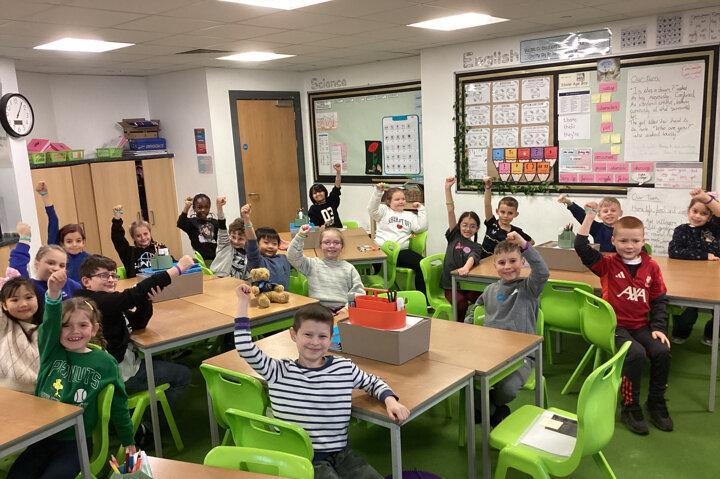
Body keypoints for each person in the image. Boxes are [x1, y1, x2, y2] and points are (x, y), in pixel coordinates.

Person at [234, 286, 410, 479]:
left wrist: (391, 401)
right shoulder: (278, 371)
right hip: (302, 458)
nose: (315, 342)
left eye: (322, 336)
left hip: (342, 454)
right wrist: (243, 303)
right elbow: (244, 347)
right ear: (293, 335)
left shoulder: (344, 368)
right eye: (308, 335)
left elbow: (373, 382)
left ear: (331, 337)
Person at [7, 270, 135, 479]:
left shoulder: (104, 362)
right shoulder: (51, 351)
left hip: (75, 442)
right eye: (65, 326)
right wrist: (53, 293)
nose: (74, 331)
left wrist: (128, 440)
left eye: (82, 325)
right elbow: (49, 324)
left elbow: (119, 404)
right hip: (42, 436)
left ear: (94, 329)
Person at [575, 206, 672, 435]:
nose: (629, 246)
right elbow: (580, 246)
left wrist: (658, 327)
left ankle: (656, 402)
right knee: (635, 353)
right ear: (613, 241)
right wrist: (590, 216)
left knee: (662, 351)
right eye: (623, 241)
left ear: (643, 241)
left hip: (641, 326)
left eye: (635, 241)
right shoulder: (607, 265)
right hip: (615, 327)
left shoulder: (652, 267)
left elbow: (659, 299)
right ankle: (629, 406)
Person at [74, 254, 193, 417]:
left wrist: (146, 299)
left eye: (113, 275)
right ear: (86, 281)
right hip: (119, 376)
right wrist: (178, 269)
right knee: (183, 375)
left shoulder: (105, 301)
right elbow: (132, 294)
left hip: (122, 364)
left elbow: (138, 324)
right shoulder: (95, 302)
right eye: (104, 275)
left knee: (163, 360)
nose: (111, 280)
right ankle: (148, 424)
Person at [465, 232, 549, 426]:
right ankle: (493, 411)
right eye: (502, 263)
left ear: (523, 262)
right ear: (495, 266)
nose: (508, 266)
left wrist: (524, 245)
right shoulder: (490, 290)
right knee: (464, 381)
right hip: (490, 352)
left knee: (507, 389)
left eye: (513, 261)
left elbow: (542, 271)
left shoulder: (529, 288)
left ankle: (489, 406)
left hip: (522, 355)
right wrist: (467, 326)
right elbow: (475, 310)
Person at [668, 187, 720, 345]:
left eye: (704, 213)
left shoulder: (714, 229)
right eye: (695, 211)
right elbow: (674, 251)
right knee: (687, 313)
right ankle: (680, 333)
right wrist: (704, 256)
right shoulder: (681, 230)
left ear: (710, 216)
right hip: (687, 280)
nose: (697, 216)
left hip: (713, 280)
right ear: (688, 211)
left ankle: (711, 334)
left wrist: (707, 199)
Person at [288, 224, 365, 313]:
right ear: (321, 245)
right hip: (318, 310)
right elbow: (293, 257)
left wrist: (347, 309)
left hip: (342, 309)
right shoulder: (312, 264)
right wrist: (300, 236)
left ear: (342, 246)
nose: (331, 246)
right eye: (327, 242)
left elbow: (358, 292)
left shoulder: (349, 268)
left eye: (336, 242)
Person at [368, 183, 427, 293]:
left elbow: (421, 227)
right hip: (382, 251)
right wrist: (378, 192)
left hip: (401, 252)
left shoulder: (410, 215)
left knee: (423, 264)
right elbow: (372, 209)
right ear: (389, 201)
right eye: (397, 199)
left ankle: (423, 297)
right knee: (375, 268)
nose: (401, 201)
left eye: (403, 199)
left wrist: (421, 209)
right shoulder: (384, 211)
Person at [442, 177, 483, 321]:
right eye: (464, 225)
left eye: (472, 226)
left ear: (477, 228)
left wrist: (466, 268)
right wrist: (447, 189)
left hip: (467, 285)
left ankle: (474, 320)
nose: (467, 229)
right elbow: (450, 211)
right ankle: (459, 326)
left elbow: (473, 256)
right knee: (461, 303)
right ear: (459, 226)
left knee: (485, 296)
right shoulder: (454, 236)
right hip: (450, 286)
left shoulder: (477, 246)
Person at [9, 222, 81, 300]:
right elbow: (17, 268)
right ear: (37, 264)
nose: (56, 268)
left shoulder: (72, 286)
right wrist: (24, 239)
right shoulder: (30, 287)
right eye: (51, 263)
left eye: (62, 266)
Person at [35, 180, 89, 282]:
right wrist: (45, 195)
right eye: (69, 241)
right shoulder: (57, 257)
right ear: (61, 244)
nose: (74, 244)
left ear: (83, 242)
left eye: (78, 241)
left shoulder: (89, 259)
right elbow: (53, 221)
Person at [0, 269, 43, 393]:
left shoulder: (46, 327)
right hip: (7, 392)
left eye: (29, 297)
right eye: (14, 300)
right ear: (4, 305)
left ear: (37, 298)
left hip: (41, 393)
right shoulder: (5, 324)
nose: (23, 304)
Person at [241, 204, 291, 290]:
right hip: (263, 297)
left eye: (274, 243)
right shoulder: (257, 260)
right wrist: (246, 219)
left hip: (282, 296)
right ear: (257, 244)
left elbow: (299, 261)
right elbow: (252, 243)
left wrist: (291, 247)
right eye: (266, 242)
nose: (270, 246)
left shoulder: (283, 258)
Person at [480, 177, 533, 259]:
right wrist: (488, 187)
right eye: (502, 212)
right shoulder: (492, 223)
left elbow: (531, 242)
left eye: (510, 213)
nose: (505, 216)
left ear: (516, 214)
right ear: (497, 211)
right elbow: (487, 205)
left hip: (501, 262)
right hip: (483, 261)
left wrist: (517, 249)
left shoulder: (516, 232)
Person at [112, 204, 168, 278]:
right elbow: (118, 238)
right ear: (133, 237)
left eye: (145, 234)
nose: (143, 238)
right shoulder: (128, 252)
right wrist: (117, 219)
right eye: (138, 236)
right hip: (137, 284)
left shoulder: (159, 248)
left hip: (158, 282)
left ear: (150, 233)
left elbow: (170, 265)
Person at [210, 196, 248, 279]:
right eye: (233, 237)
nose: (236, 241)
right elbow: (222, 226)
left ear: (246, 239)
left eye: (240, 239)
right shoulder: (225, 245)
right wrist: (219, 207)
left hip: (237, 283)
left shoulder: (247, 254)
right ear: (229, 235)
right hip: (218, 279)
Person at [177, 193, 219, 262]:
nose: (203, 210)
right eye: (199, 207)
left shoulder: (215, 222)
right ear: (194, 208)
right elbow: (181, 223)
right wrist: (187, 207)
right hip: (201, 260)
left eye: (206, 207)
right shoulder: (191, 223)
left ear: (209, 208)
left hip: (216, 259)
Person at [308, 163, 344, 228]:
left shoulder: (331, 201)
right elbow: (315, 228)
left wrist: (338, 172)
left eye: (320, 191)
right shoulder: (313, 209)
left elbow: (337, 187)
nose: (318, 194)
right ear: (312, 196)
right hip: (325, 233)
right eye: (315, 193)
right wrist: (324, 226)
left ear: (324, 192)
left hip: (338, 231)